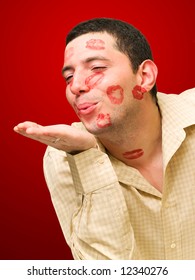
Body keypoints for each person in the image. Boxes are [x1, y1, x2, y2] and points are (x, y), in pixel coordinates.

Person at [14, 17, 195, 260]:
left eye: (97, 68)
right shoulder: (64, 157)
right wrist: (86, 158)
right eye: (68, 77)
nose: (76, 86)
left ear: (145, 76)